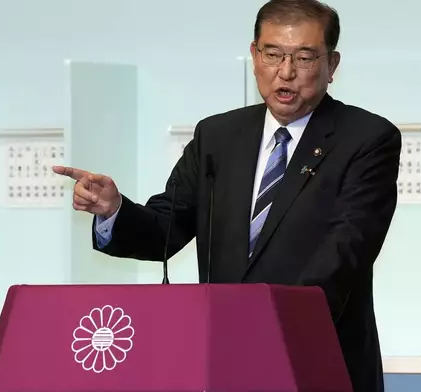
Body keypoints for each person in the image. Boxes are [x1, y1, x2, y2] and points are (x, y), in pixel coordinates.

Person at [54, 0, 401, 391]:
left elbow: (348, 248)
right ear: (254, 55)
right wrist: (114, 210)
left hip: (318, 355)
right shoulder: (217, 137)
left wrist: (273, 322)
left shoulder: (367, 139)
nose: (285, 72)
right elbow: (166, 228)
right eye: (273, 54)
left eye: (304, 58)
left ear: (331, 65)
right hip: (222, 357)